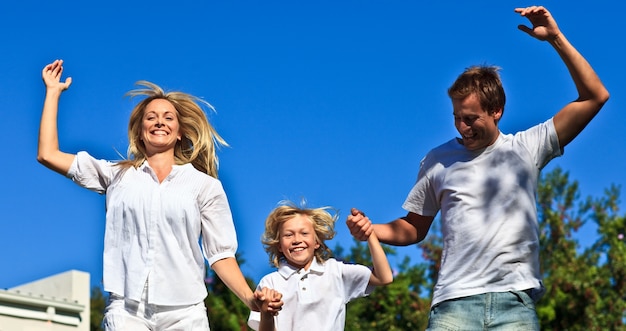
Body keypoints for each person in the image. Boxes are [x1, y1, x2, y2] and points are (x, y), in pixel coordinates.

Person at [347, 6, 609, 330]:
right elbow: (414, 227)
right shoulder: (438, 160)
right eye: (456, 116)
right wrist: (373, 230)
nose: (461, 126)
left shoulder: (527, 147)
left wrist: (555, 38)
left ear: (496, 110)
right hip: (453, 306)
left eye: (470, 118)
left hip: (514, 304)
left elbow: (595, 96)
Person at [37, 59, 282, 330]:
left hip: (186, 313)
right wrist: (52, 92)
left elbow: (220, 254)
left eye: (168, 118)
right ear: (140, 132)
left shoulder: (205, 186)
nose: (159, 122)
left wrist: (250, 300)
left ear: (179, 133)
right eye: (150, 117)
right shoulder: (116, 174)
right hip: (126, 309)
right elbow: (47, 155)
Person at [247, 202, 393, 331]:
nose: (297, 240)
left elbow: (384, 277)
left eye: (304, 233)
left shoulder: (335, 271)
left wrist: (370, 234)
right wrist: (266, 314)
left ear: (317, 242)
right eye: (288, 235)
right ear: (279, 245)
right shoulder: (269, 283)